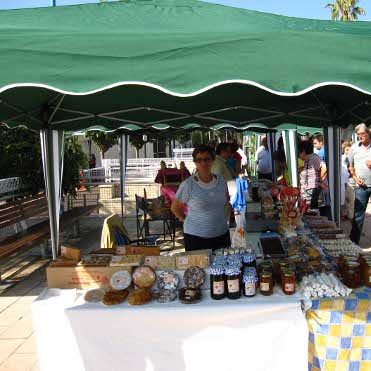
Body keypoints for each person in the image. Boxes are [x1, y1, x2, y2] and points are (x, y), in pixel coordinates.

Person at [171, 145, 231, 251]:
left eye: (207, 159)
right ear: (195, 162)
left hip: (221, 235)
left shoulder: (221, 181)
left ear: (212, 161)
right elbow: (175, 208)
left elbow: (226, 200)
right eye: (199, 160)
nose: (203, 163)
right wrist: (187, 220)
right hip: (196, 238)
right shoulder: (188, 185)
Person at [348, 124, 371, 245]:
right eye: (358, 135)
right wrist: (355, 178)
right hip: (361, 187)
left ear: (368, 133)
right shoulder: (354, 148)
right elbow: (350, 166)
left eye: (363, 134)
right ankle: (353, 243)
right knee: (358, 216)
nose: (360, 137)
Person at [298, 140, 328, 213]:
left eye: (299, 152)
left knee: (312, 211)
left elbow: (324, 167)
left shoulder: (313, 157)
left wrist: (320, 180)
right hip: (307, 190)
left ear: (304, 151)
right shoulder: (308, 159)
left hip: (312, 190)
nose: (299, 155)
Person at [342, 141, 354, 221]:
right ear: (343, 150)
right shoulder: (342, 159)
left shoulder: (353, 158)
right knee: (348, 203)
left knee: (351, 203)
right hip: (344, 183)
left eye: (350, 150)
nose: (348, 152)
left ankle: (351, 219)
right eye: (347, 150)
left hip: (352, 183)